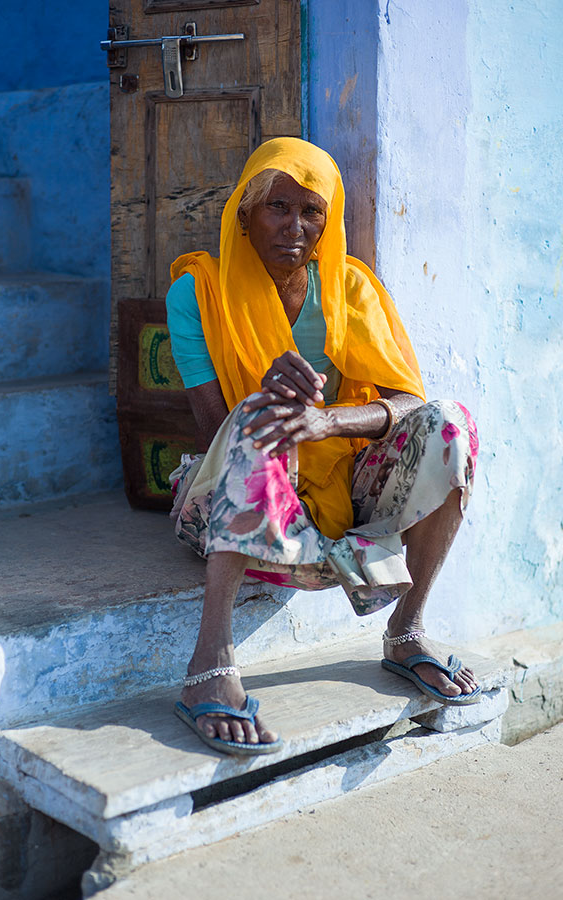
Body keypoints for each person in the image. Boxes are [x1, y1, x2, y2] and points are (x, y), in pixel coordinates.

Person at [166, 138, 480, 756]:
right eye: (278, 207)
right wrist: (269, 399)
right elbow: (214, 434)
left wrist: (326, 423)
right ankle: (209, 664)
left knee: (450, 423)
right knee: (257, 416)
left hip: (340, 489)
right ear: (245, 215)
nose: (296, 227)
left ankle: (406, 630)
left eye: (312, 212)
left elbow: (406, 400)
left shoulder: (349, 287)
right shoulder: (197, 292)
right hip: (235, 505)